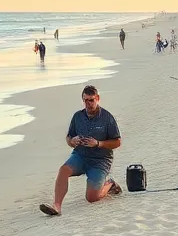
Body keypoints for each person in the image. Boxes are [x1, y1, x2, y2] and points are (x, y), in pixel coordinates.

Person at [39, 85, 122, 216]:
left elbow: (117, 142)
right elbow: (68, 137)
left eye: (91, 100)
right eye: (85, 100)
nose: (88, 104)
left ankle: (110, 184)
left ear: (98, 99)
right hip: (80, 156)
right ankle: (57, 206)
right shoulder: (77, 117)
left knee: (91, 198)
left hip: (100, 161)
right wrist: (72, 141)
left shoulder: (107, 118)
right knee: (63, 170)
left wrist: (98, 143)